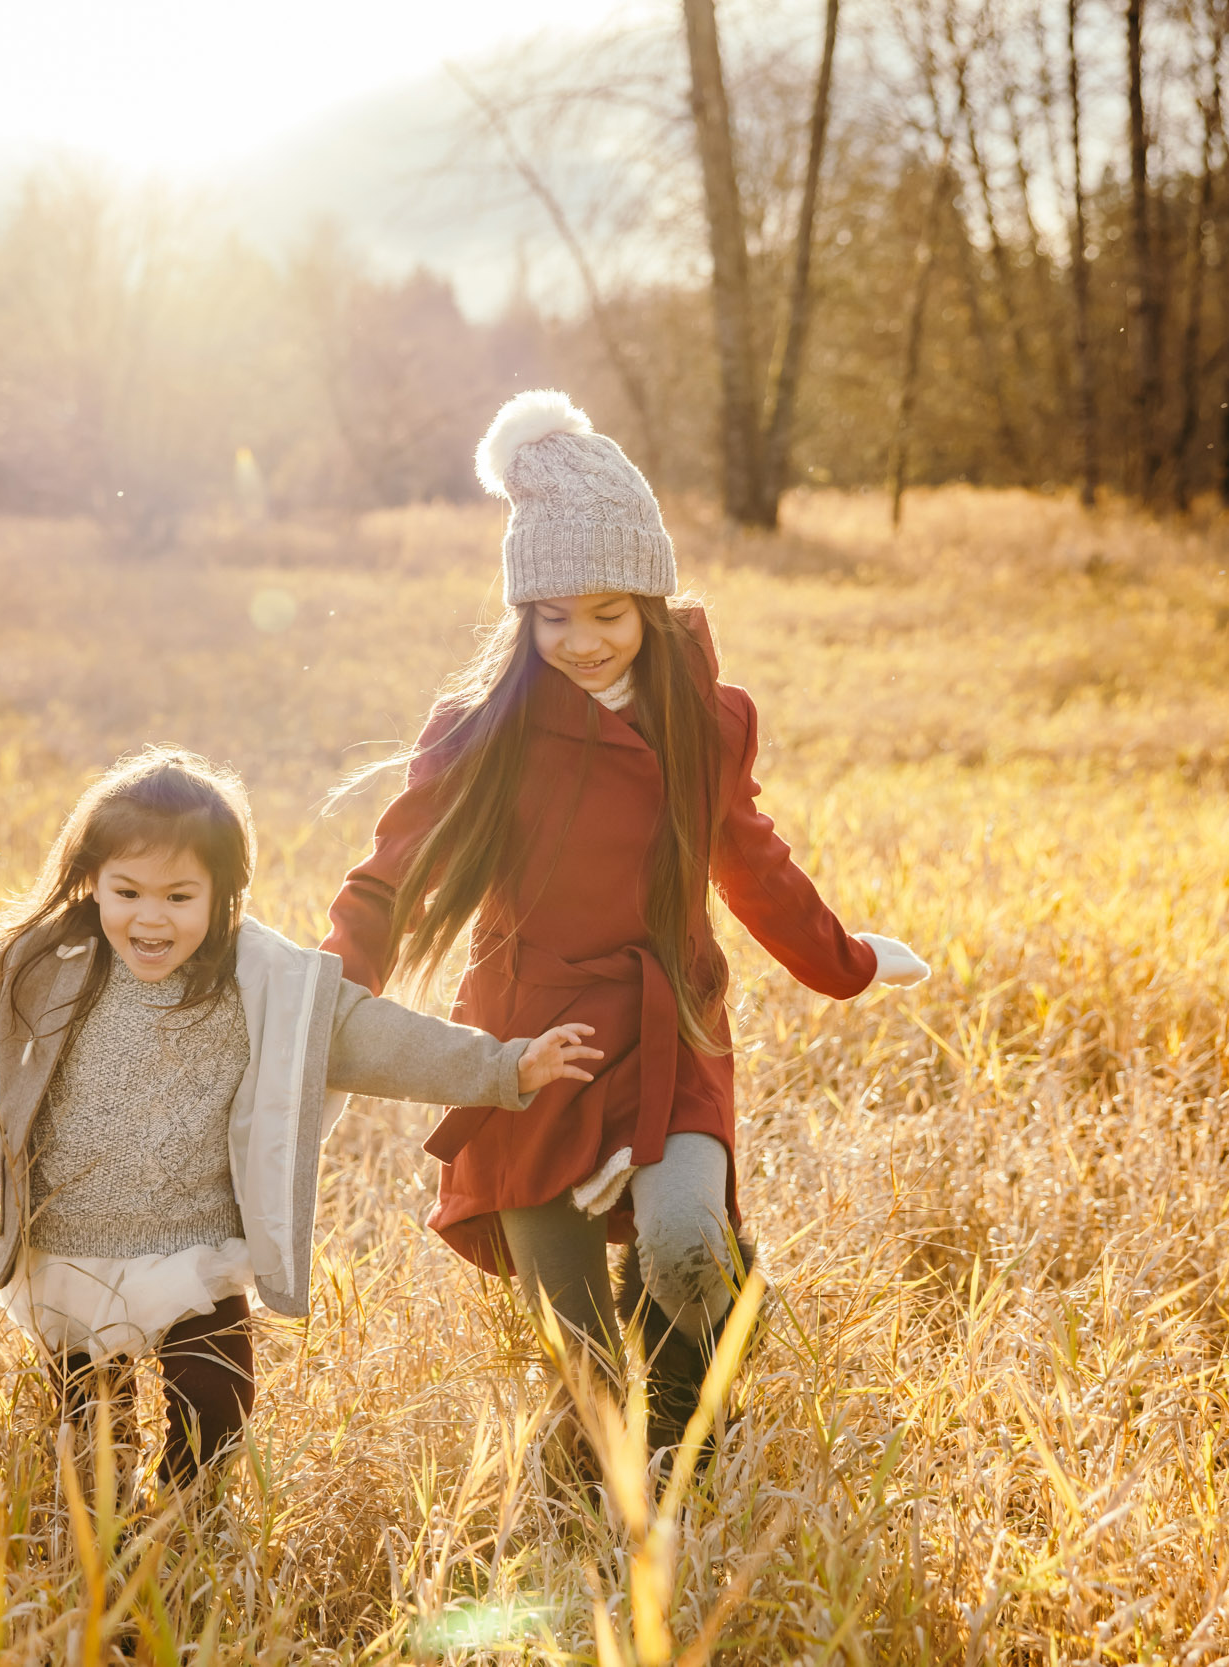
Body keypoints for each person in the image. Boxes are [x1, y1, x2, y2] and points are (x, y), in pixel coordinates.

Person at [321, 390, 930, 1453]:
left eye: (607, 612)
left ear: (651, 599)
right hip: (528, 1043)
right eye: (552, 616)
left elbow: (751, 862)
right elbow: (390, 876)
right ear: (524, 616)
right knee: (585, 1364)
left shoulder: (709, 717)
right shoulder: (476, 732)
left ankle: (695, 1446)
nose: (581, 640)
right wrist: (325, 992)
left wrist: (846, 961)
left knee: (687, 1244)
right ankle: (622, 1460)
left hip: (666, 1024)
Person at [0, 747, 600, 1491]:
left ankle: (182, 1516)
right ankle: (104, 1563)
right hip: (72, 1248)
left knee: (217, 1403)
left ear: (224, 895)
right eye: (128, 893)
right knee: (91, 1440)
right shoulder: (50, 966)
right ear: (91, 881)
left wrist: (504, 1066)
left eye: (180, 897)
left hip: (194, 1247)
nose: (152, 920)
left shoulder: (261, 982)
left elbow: (376, 1036)